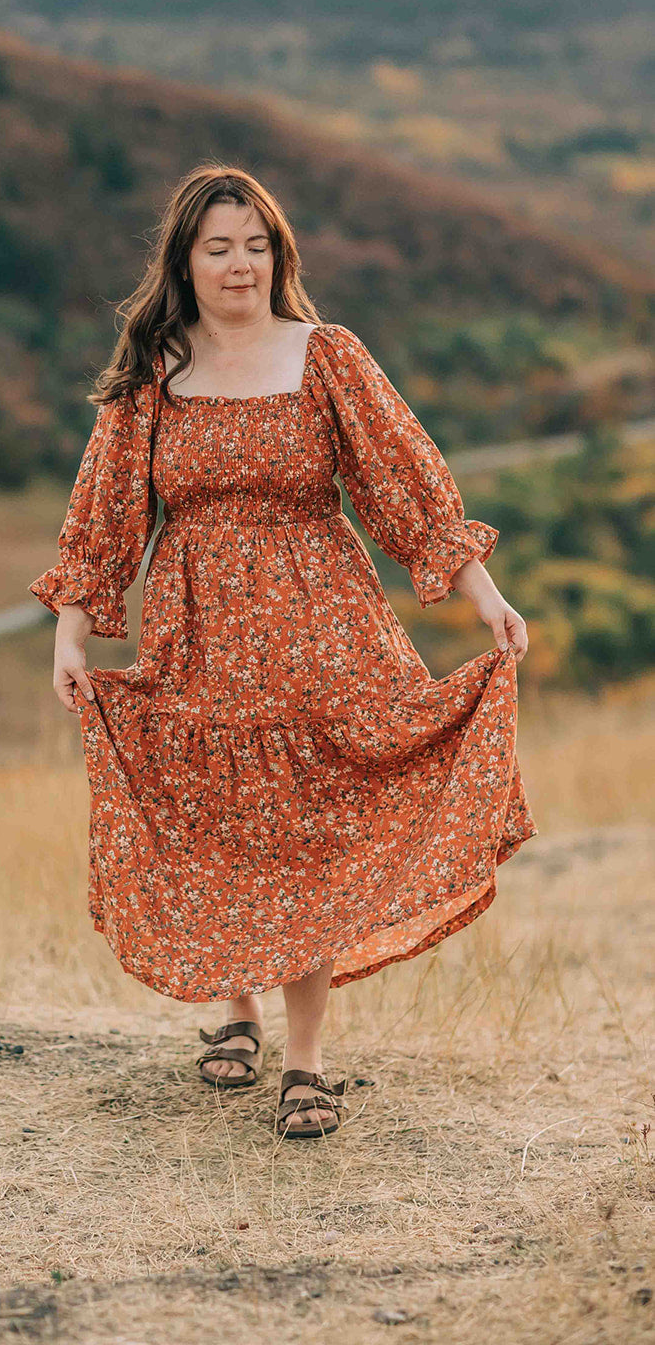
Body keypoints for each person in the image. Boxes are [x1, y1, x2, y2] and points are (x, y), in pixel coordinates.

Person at [29, 164, 535, 1142]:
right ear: (183, 261)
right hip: (196, 632)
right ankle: (236, 1006)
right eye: (218, 247)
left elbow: (403, 481)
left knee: (304, 829)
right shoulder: (152, 375)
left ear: (278, 253)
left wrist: (482, 591)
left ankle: (304, 1060)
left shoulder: (324, 354)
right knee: (218, 818)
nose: (239, 264)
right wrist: (71, 629)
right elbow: (100, 517)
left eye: (255, 245)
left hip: (318, 625)